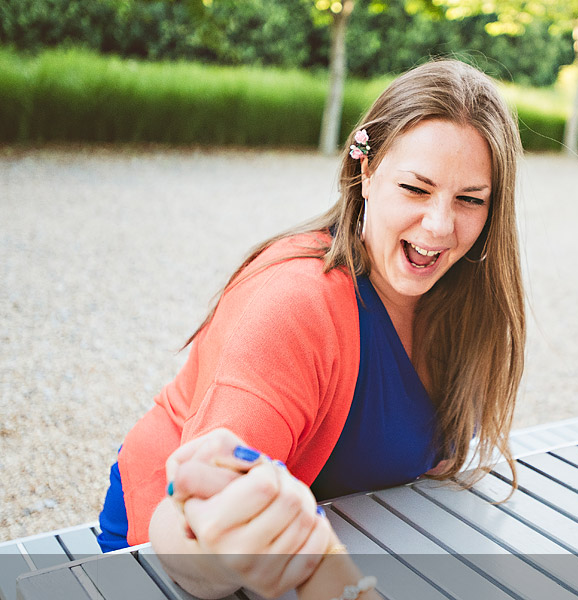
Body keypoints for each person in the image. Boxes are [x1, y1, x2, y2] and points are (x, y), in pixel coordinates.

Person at [96, 59, 526, 599]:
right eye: (416, 189)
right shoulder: (293, 304)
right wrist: (215, 548)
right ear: (365, 173)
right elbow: (194, 524)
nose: (440, 226)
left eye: (469, 200)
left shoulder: (461, 299)